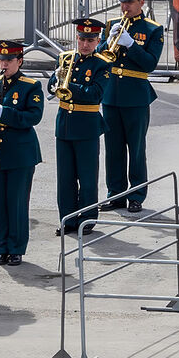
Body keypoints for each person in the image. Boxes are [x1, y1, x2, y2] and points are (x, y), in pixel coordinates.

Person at [100, 0, 164, 213]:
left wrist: (131, 44)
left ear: (141, 2)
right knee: (113, 149)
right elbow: (99, 57)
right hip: (111, 95)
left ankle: (136, 195)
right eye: (122, 2)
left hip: (136, 96)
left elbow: (149, 64)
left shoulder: (153, 29)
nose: (125, 7)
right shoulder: (111, 25)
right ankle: (115, 194)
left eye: (130, 2)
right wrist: (106, 43)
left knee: (136, 149)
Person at [0, 40, 43, 266]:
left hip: (19, 154)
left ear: (20, 61)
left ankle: (16, 248)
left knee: (16, 203)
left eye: (9, 60)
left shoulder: (31, 86)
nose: (4, 64)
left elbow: (34, 117)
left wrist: (6, 113)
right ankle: (1, 247)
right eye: (1, 60)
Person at [52, 17, 109, 234]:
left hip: (87, 127)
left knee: (87, 178)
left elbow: (95, 94)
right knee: (65, 178)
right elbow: (52, 85)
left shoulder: (102, 64)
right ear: (77, 38)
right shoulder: (64, 58)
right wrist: (56, 81)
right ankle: (67, 219)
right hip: (65, 125)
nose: (85, 44)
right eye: (82, 39)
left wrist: (70, 86)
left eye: (90, 40)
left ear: (97, 41)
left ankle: (87, 218)